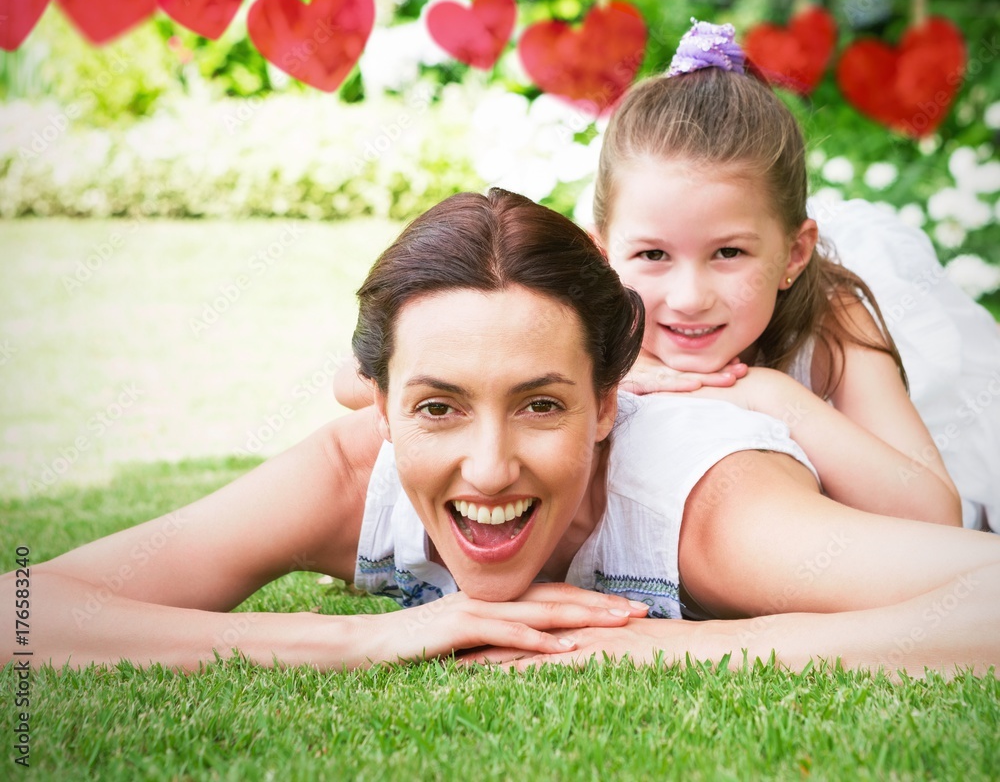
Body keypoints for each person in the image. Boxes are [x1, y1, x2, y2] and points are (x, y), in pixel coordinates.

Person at [5, 189, 998, 677]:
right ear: (382, 404)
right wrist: (375, 639)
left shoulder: (707, 508)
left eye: (540, 403)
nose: (488, 466)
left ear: (607, 403)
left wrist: (651, 652)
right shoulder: (358, 473)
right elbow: (20, 615)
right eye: (438, 406)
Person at [592, 19, 1000, 531]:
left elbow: (935, 513)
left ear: (794, 253)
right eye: (653, 255)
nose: (689, 297)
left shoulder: (831, 319)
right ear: (603, 252)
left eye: (729, 253)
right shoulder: (582, 329)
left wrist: (769, 395)